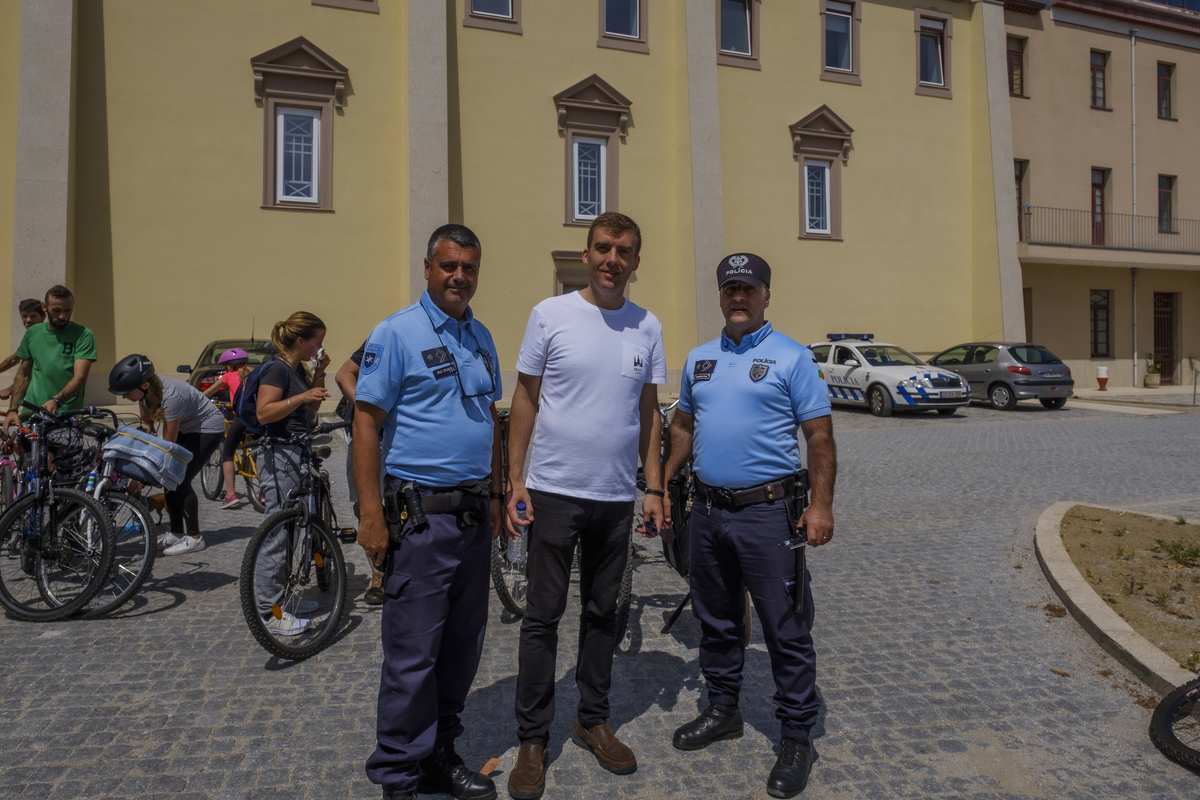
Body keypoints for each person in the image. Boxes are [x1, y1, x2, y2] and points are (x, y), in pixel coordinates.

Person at [661, 253, 837, 799]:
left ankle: (796, 735)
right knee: (716, 620)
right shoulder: (699, 359)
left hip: (768, 514)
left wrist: (821, 506)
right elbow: (684, 427)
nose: (739, 296)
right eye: (730, 288)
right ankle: (723, 708)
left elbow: (820, 439)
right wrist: (661, 485)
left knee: (785, 628)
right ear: (720, 295)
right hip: (708, 513)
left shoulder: (792, 358)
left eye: (749, 288)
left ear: (765, 296)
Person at [505, 211, 665, 799]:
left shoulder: (647, 326)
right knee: (542, 617)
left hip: (615, 496)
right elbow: (525, 398)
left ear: (636, 261)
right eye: (602, 248)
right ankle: (532, 738)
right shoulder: (551, 315)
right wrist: (514, 479)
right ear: (586, 252)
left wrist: (654, 487)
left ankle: (592, 719)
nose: (611, 259)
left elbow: (649, 412)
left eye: (623, 250)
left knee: (604, 614)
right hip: (552, 490)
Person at [355, 224, 503, 800]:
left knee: (461, 650)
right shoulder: (396, 334)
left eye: (468, 267)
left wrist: (495, 494)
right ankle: (398, 779)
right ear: (427, 267)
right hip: (419, 520)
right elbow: (366, 422)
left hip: (470, 520)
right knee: (412, 656)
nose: (459, 276)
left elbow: (489, 418)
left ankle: (440, 754)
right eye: (449, 265)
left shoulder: (481, 335)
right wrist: (370, 512)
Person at [253, 312, 331, 635]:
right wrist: (302, 395)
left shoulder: (297, 370)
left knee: (293, 529)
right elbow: (263, 412)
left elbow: (311, 409)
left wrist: (320, 373)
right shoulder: (276, 369)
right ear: (301, 341)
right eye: (317, 341)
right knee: (277, 534)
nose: (320, 347)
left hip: (295, 453)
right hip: (278, 454)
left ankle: (282, 600)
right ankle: (269, 613)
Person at [108, 355, 229, 555]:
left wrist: (143, 477)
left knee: (180, 477)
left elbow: (167, 448)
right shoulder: (146, 394)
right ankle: (176, 532)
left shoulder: (172, 397)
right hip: (188, 426)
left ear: (145, 384)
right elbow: (147, 426)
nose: (123, 397)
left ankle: (195, 537)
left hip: (207, 428)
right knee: (168, 479)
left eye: (127, 392)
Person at [4, 285, 97, 436]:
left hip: (66, 416)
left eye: (67, 310)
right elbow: (24, 375)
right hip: (32, 415)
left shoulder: (83, 335)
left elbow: (80, 377)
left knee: (58, 460)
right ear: (44, 307)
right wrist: (12, 410)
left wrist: (56, 401)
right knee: (30, 459)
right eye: (57, 310)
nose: (62, 316)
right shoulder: (33, 333)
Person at [334, 341, 385, 605]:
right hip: (368, 435)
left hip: (407, 437)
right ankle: (377, 577)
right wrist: (367, 408)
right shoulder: (386, 336)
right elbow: (343, 374)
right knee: (365, 505)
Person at [202, 348, 254, 509]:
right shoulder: (254, 374)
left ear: (231, 366)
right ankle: (263, 492)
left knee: (227, 453)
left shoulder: (228, 376)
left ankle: (231, 495)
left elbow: (207, 393)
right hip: (260, 418)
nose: (225, 369)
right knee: (260, 450)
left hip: (242, 418)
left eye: (226, 366)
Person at [0, 299, 47, 401]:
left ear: (43, 317)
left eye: (33, 316)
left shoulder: (43, 335)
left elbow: (36, 370)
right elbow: (14, 359)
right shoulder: (31, 335)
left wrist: (10, 389)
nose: (28, 320)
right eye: (24, 316)